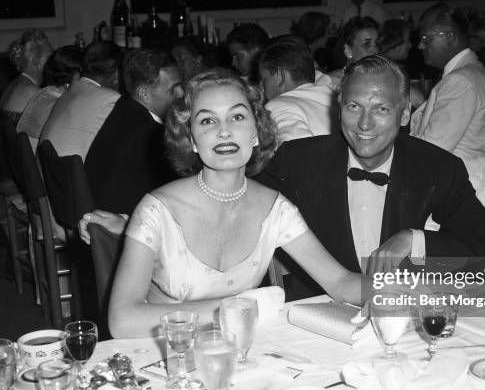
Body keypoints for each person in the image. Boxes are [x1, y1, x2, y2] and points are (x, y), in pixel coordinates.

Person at [106, 70, 365, 338]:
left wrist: (406, 293)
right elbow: (121, 321)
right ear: (192, 139)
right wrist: (234, 308)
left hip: (238, 352)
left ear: (255, 131)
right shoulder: (157, 211)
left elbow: (340, 282)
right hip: (166, 357)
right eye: (207, 121)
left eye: (237, 117)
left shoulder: (276, 210)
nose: (224, 131)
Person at [258, 55, 485, 299]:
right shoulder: (298, 160)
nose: (364, 124)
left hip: (402, 311)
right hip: (320, 317)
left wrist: (415, 241)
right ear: (338, 108)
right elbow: (239, 200)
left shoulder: (436, 167)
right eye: (354, 107)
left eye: (381, 109)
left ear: (404, 114)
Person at [85, 49, 182, 215]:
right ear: (144, 93)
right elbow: (178, 193)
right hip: (123, 226)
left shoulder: (123, 110)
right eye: (173, 89)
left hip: (104, 215)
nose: (181, 93)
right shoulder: (153, 137)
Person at [410, 3, 485, 160]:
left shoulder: (460, 81)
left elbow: (430, 153)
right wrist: (420, 103)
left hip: (454, 180)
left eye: (425, 39)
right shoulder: (474, 70)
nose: (420, 45)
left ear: (449, 36)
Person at [39, 41, 122, 159]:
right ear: (117, 74)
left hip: (52, 173)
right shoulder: (111, 100)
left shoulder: (69, 92)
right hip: (74, 175)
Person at [259, 36, 337, 145]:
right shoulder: (336, 99)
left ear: (279, 76)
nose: (261, 87)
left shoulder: (279, 107)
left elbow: (296, 156)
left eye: (264, 79)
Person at [17, 46, 82, 153]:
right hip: (39, 164)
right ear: (76, 75)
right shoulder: (59, 103)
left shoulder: (45, 92)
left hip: (27, 161)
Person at [0, 29, 52, 124]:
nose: (53, 62)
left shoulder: (12, 85)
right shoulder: (32, 91)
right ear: (36, 60)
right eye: (49, 57)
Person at [378, 19, 425, 109]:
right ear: (395, 43)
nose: (410, 45)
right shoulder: (384, 71)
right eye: (407, 41)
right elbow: (418, 100)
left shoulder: (388, 66)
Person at [328, 16, 379, 89]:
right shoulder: (332, 83)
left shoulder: (387, 77)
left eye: (377, 43)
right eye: (366, 44)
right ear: (348, 50)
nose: (375, 50)